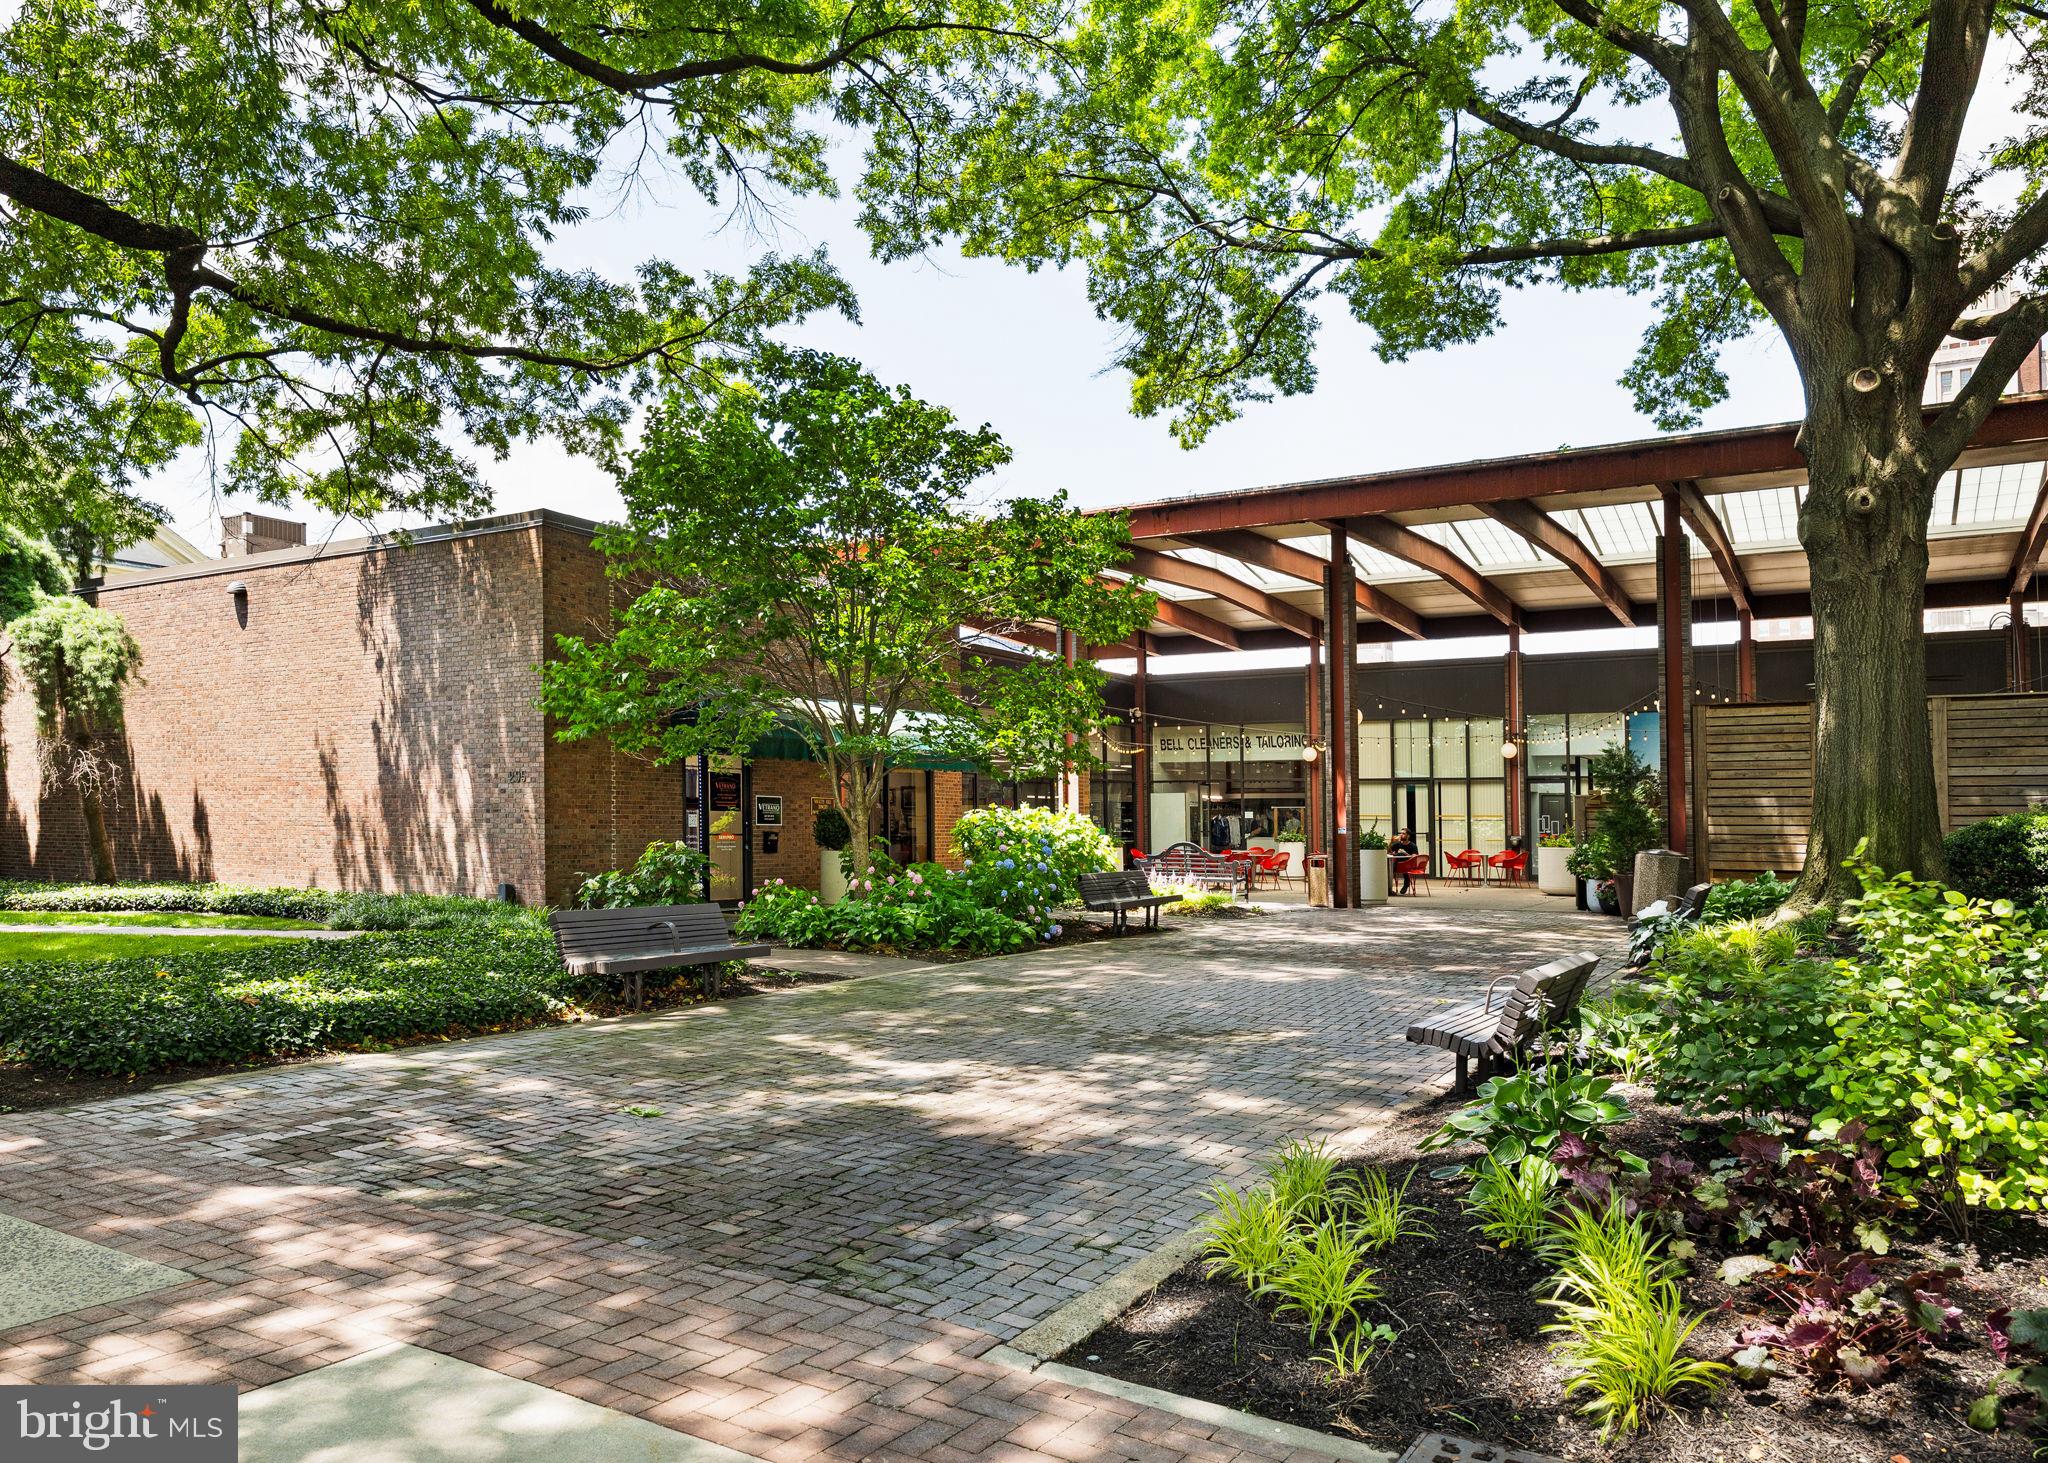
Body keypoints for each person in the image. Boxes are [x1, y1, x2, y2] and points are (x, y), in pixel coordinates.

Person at [1389, 827, 1418, 894]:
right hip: (1397, 866)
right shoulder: (1397, 844)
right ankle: (1389, 888)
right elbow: (1388, 852)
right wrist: (1391, 842)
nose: (1401, 835)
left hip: (1408, 866)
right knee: (1396, 857)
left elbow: (1414, 857)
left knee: (1401, 854)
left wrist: (1405, 853)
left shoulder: (1412, 845)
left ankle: (1406, 884)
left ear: (1408, 836)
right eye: (1401, 833)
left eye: (1403, 834)